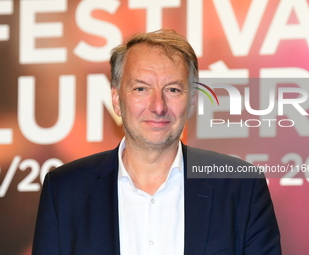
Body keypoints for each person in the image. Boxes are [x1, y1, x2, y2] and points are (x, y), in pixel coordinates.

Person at [32, 29, 281, 255]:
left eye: (173, 90)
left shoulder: (241, 186)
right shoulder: (65, 191)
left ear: (192, 101)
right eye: (141, 89)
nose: (158, 106)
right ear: (117, 100)